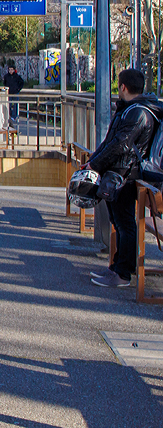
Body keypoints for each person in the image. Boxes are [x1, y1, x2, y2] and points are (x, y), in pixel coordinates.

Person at [86, 69, 163, 287]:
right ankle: (117, 268)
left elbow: (121, 144)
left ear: (122, 87)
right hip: (121, 172)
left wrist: (95, 163)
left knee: (124, 223)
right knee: (119, 222)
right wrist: (94, 161)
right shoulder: (133, 110)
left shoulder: (137, 113)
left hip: (126, 175)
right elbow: (112, 141)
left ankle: (123, 274)